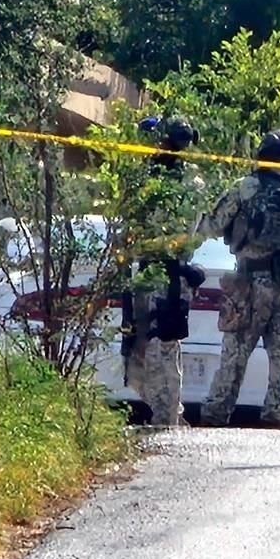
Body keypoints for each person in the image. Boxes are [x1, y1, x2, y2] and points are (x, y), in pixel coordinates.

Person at [198, 129, 280, 429]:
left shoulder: (244, 188)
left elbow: (212, 225)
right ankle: (275, 422)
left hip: (248, 286)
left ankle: (214, 418)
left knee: (233, 358)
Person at [123, 115, 206, 427]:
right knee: (140, 348)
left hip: (168, 276)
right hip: (148, 274)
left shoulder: (179, 184)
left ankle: (168, 420)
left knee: (163, 349)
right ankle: (169, 416)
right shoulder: (153, 177)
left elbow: (176, 234)